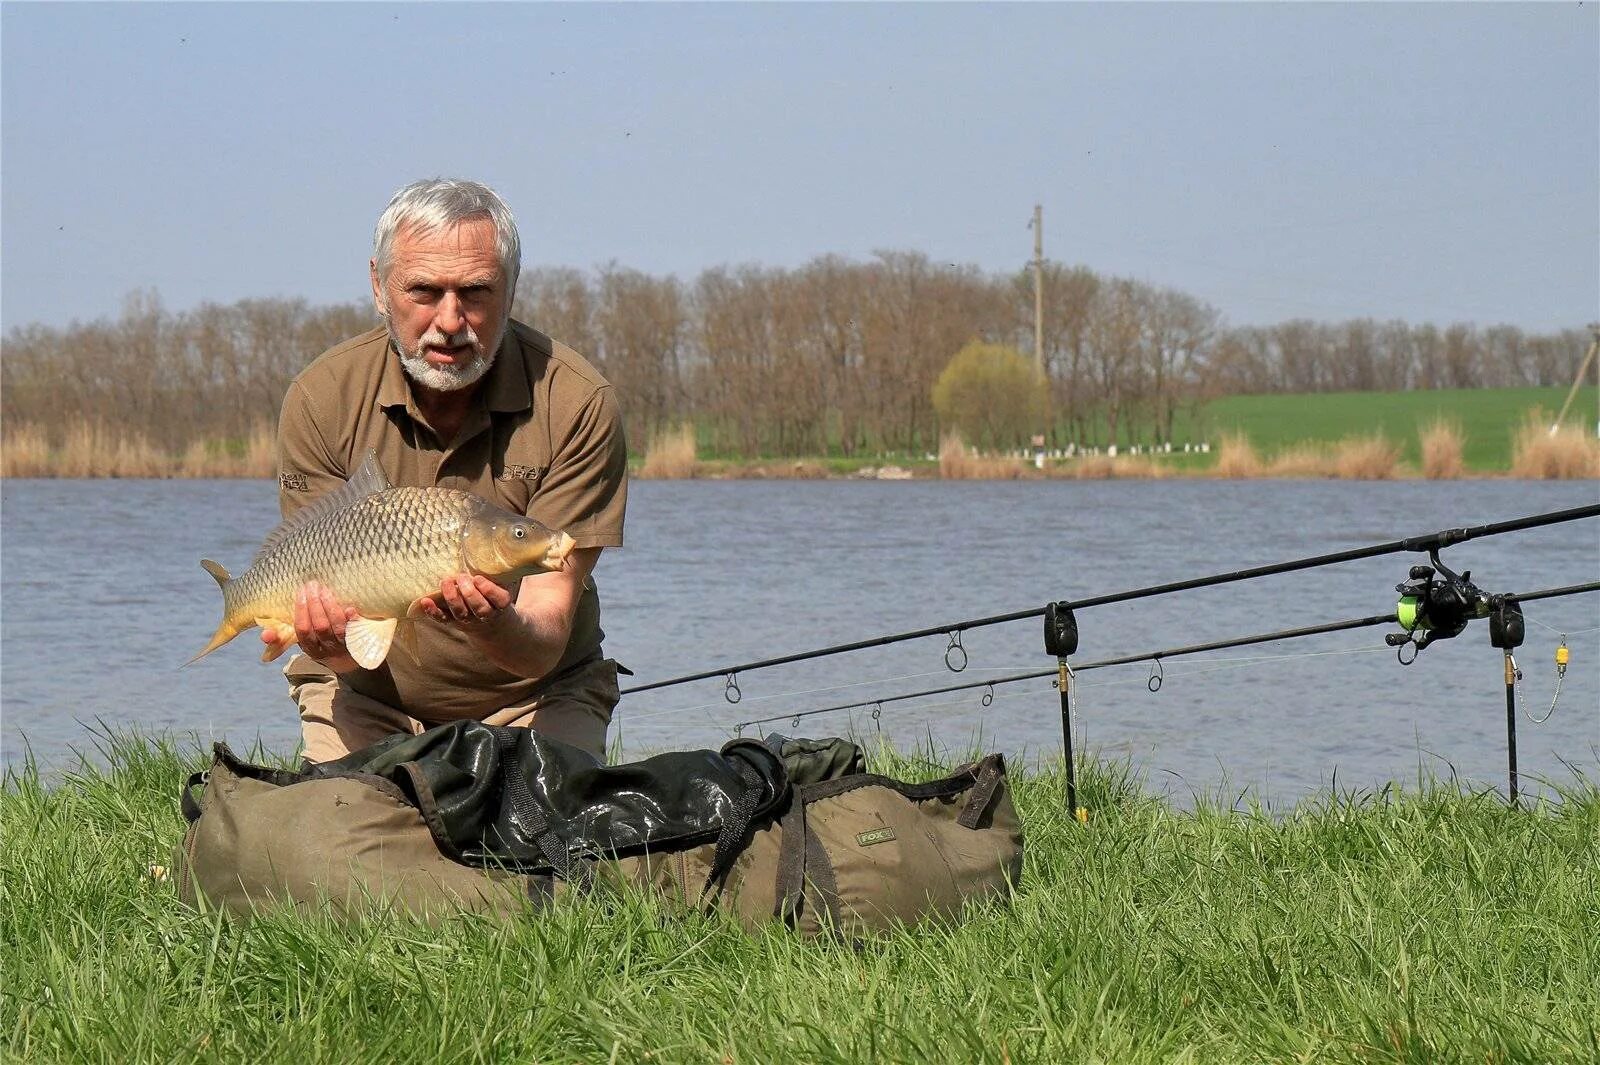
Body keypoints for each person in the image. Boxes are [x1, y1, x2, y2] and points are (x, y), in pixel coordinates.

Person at [268, 178, 628, 764]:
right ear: (379, 287)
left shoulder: (578, 401)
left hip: (535, 694)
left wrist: (490, 625)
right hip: (366, 695)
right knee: (348, 843)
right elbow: (336, 633)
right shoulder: (321, 397)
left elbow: (544, 634)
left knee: (547, 847)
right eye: (424, 291)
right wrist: (326, 643)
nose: (450, 320)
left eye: (476, 293)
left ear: (511, 290)